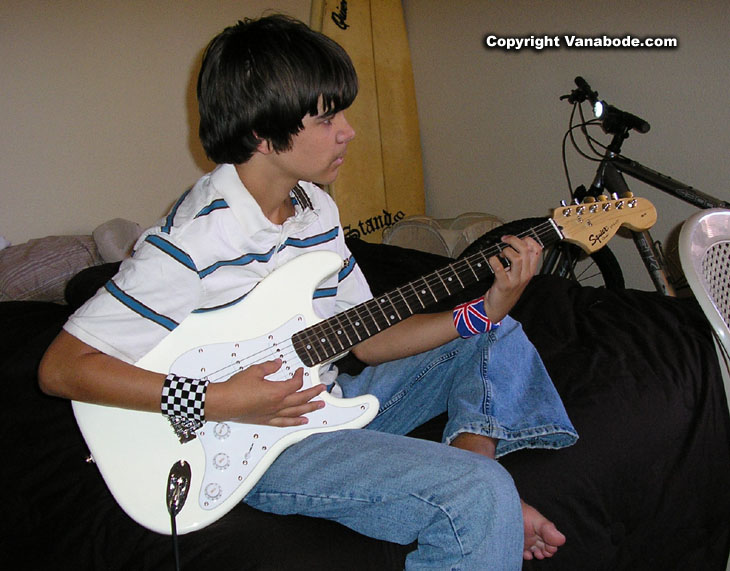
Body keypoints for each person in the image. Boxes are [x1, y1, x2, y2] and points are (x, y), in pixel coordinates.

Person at [39, 14, 577, 569]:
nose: (348, 131)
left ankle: (479, 472)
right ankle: (484, 494)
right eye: (326, 118)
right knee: (475, 492)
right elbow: (62, 368)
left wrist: (483, 308)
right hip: (251, 443)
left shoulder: (314, 207)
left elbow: (366, 337)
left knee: (495, 333)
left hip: (322, 398)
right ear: (261, 135)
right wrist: (222, 399)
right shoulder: (196, 240)